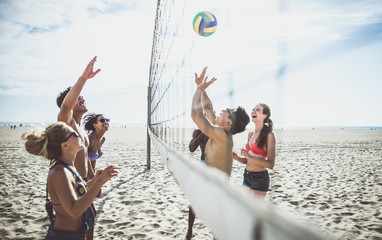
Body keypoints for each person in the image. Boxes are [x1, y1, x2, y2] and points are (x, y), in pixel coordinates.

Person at [22, 122, 119, 240]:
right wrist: (99, 183)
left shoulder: (68, 167)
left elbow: (76, 192)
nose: (78, 134)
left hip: (75, 234)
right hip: (63, 236)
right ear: (65, 145)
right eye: (73, 134)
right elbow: (74, 210)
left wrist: (94, 181)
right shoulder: (60, 173)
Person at [56, 56, 101, 239]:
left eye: (82, 96)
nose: (82, 98)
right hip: (71, 184)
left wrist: (94, 179)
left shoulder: (81, 130)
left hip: (83, 182)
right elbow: (67, 105)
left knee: (90, 220)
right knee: (76, 228)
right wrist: (83, 79)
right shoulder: (66, 124)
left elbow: (86, 158)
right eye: (78, 97)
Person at [191, 66, 250, 176]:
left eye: (227, 111)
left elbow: (195, 115)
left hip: (214, 190)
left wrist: (199, 89)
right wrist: (202, 89)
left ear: (229, 123)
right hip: (213, 186)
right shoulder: (222, 132)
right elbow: (208, 108)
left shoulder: (221, 135)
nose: (223, 110)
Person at [233, 103, 276, 199]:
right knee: (245, 209)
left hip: (259, 178)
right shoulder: (250, 134)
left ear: (264, 116)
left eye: (258, 110)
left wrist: (249, 156)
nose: (254, 111)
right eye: (253, 109)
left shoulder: (269, 136)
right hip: (246, 175)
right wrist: (237, 158)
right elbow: (248, 161)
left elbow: (270, 164)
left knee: (253, 212)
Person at [185, 129, 209, 240]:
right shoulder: (197, 131)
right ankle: (189, 230)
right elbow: (191, 148)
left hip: (217, 167)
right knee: (194, 201)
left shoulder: (217, 129)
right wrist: (203, 132)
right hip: (203, 167)